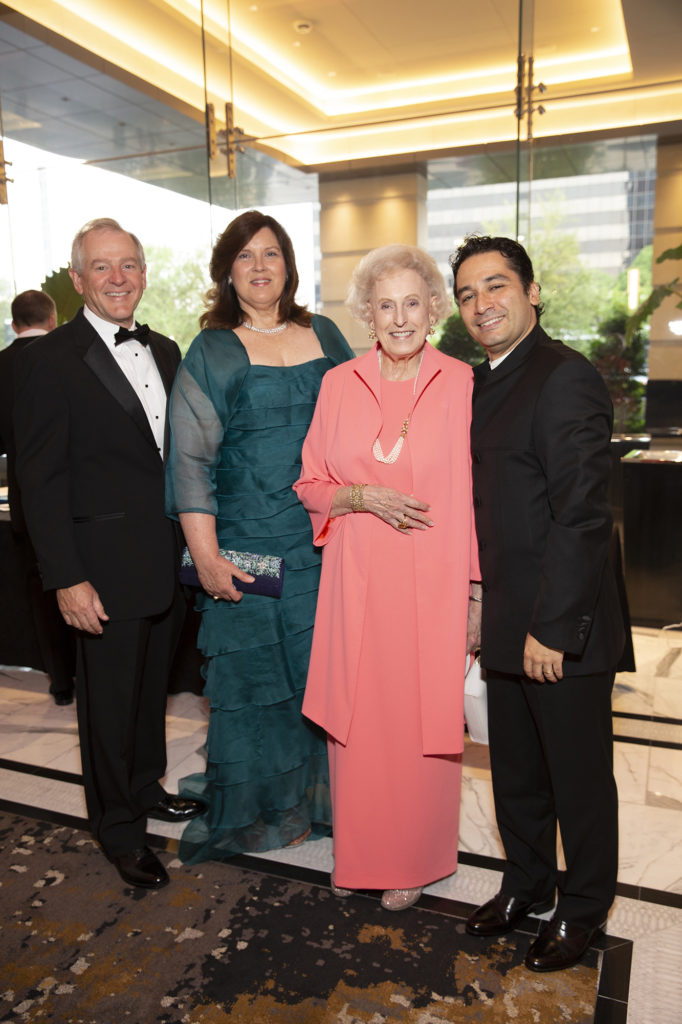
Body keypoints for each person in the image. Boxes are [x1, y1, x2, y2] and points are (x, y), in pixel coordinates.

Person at [450, 234, 626, 971]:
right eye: (467, 294)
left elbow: (583, 515)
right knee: (515, 772)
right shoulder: (480, 378)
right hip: (505, 616)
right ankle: (526, 883)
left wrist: (553, 630)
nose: (481, 304)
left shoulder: (563, 377)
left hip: (562, 626)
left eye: (496, 286)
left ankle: (583, 909)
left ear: (531, 292)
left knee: (577, 780)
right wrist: (476, 597)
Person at [13, 218, 205, 890]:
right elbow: (38, 480)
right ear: (77, 280)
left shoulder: (168, 349)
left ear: (144, 273)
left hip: (166, 563)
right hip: (99, 569)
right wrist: (66, 578)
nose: (119, 278)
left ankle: (146, 788)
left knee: (149, 693)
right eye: (103, 267)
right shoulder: (48, 360)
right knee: (107, 707)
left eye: (129, 264)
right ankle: (119, 830)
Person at [294, 244, 481, 911]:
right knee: (363, 725)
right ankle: (364, 852)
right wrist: (360, 497)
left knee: (421, 726)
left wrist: (477, 592)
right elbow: (311, 482)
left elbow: (481, 495)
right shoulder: (338, 383)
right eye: (385, 304)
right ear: (366, 313)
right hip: (356, 581)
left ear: (433, 308)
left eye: (412, 302)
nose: (399, 317)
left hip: (432, 582)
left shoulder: (464, 381)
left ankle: (417, 857)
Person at [166, 210, 354, 862]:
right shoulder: (212, 349)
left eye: (271, 253)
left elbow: (367, 419)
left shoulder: (324, 332)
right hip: (247, 547)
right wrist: (206, 556)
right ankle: (268, 810)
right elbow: (189, 463)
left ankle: (326, 803)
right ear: (228, 271)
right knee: (257, 681)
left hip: (328, 544)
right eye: (245, 256)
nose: (259, 266)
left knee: (322, 679)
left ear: (289, 264)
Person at [0, 291, 75, 705]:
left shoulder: (2, 364)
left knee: (42, 591)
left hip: (26, 503)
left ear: (14, 324)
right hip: (76, 496)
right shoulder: (65, 355)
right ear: (52, 317)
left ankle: (60, 682)